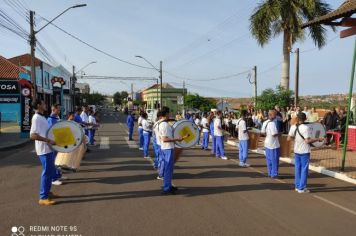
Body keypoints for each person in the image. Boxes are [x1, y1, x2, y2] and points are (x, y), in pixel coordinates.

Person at [30, 99, 57, 206]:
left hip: (48, 149)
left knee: (50, 172)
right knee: (47, 172)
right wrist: (48, 140)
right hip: (44, 150)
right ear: (38, 105)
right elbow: (32, 135)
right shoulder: (36, 118)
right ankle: (43, 197)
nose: (46, 105)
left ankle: (47, 192)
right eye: (43, 103)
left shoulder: (42, 117)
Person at [288, 113, 324, 193]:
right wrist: (318, 139)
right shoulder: (305, 128)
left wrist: (297, 140)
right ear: (305, 118)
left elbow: (288, 138)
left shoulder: (293, 126)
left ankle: (297, 186)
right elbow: (307, 140)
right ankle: (302, 188)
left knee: (297, 169)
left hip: (296, 150)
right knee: (304, 170)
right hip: (304, 151)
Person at [159, 107, 183, 194]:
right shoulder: (164, 125)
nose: (170, 115)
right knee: (168, 169)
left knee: (168, 169)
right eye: (168, 113)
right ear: (166, 114)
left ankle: (168, 185)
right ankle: (166, 188)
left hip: (166, 148)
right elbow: (164, 139)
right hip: (167, 148)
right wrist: (177, 139)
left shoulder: (163, 123)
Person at [47, 104, 65, 186]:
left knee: (59, 160)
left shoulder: (56, 118)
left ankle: (58, 175)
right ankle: (53, 179)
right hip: (54, 143)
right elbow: (52, 132)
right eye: (58, 110)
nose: (59, 111)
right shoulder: (51, 119)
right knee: (54, 161)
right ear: (53, 109)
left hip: (58, 143)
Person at [261, 110, 280, 178]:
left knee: (269, 159)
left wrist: (268, 134)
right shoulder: (272, 123)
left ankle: (270, 172)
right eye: (275, 115)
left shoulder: (265, 122)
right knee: (274, 159)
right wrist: (280, 134)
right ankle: (274, 174)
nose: (275, 116)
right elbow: (274, 134)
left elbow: (262, 132)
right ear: (271, 115)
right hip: (273, 144)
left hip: (267, 142)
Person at [153, 111, 164, 177]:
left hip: (156, 141)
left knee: (158, 155)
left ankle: (156, 165)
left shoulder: (156, 123)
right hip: (159, 142)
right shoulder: (160, 123)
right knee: (161, 158)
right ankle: (160, 173)